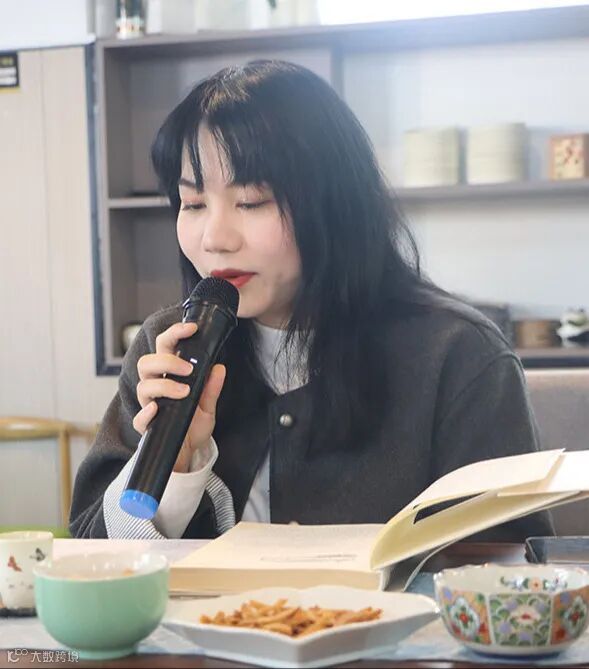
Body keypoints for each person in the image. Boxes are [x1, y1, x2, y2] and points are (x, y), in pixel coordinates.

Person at [70, 60, 552, 540]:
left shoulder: (457, 354)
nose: (214, 238)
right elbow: (90, 558)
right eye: (193, 204)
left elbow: (512, 565)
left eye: (251, 201)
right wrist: (175, 466)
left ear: (335, 205)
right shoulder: (168, 347)